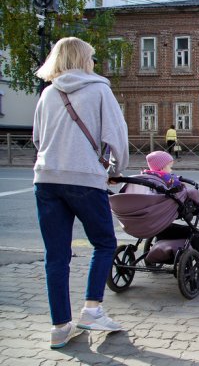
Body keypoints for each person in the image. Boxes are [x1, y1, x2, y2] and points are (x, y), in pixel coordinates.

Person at [33, 37, 129, 349]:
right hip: (85, 179)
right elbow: (116, 137)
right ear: (83, 59)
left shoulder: (48, 93)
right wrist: (114, 171)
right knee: (104, 243)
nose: (94, 61)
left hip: (46, 180)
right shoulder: (99, 89)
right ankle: (91, 310)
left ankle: (60, 327)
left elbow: (37, 139)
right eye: (92, 56)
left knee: (56, 256)